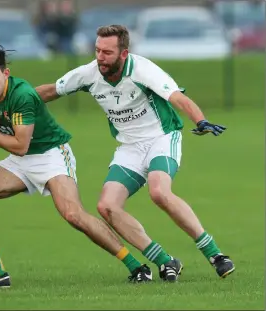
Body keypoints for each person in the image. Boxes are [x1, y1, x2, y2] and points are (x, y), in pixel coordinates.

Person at [0, 43, 176, 289]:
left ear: (5, 74)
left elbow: (19, 144)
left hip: (51, 154)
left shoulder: (22, 96)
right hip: (21, 161)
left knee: (73, 214)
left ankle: (136, 267)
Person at [35, 25, 235, 279]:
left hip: (161, 137)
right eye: (97, 50)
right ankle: (165, 260)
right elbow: (51, 90)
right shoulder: (89, 73)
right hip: (130, 147)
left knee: (159, 192)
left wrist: (201, 120)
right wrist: (13, 99)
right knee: (106, 206)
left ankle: (215, 254)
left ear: (123, 54)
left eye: (107, 52)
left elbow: (177, 98)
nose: (100, 57)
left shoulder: (143, 70)